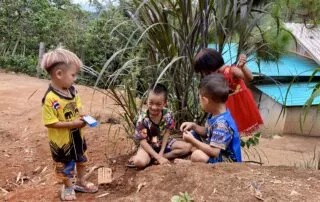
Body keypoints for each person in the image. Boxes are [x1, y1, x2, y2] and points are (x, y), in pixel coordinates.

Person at [41, 47, 98, 201]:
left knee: (81, 160)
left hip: (77, 137)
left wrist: (83, 115)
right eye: (73, 74)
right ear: (59, 74)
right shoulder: (50, 99)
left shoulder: (72, 90)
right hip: (61, 142)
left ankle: (81, 181)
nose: (75, 78)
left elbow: (78, 106)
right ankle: (67, 187)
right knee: (65, 164)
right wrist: (73, 123)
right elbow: (50, 123)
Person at [194, 48, 263, 135]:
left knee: (233, 129)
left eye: (203, 71)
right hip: (226, 105)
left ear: (209, 67)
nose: (203, 74)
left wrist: (242, 67)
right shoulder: (216, 76)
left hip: (239, 103)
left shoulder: (231, 70)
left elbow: (249, 77)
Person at [180, 73, 242, 164]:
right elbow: (207, 131)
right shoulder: (215, 114)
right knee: (193, 134)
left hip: (228, 162)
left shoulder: (222, 124)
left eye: (200, 99)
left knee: (197, 155)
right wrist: (193, 126)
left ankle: (191, 163)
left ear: (205, 100)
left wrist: (192, 140)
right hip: (219, 152)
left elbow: (214, 152)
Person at [129, 83, 192, 169]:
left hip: (163, 143)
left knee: (187, 147)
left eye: (158, 104)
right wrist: (158, 157)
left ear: (165, 103)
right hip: (149, 145)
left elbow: (167, 132)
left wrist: (161, 154)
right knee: (139, 162)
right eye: (151, 103)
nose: (154, 107)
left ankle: (162, 157)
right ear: (146, 101)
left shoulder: (168, 114)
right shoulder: (143, 119)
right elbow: (143, 142)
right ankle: (152, 156)